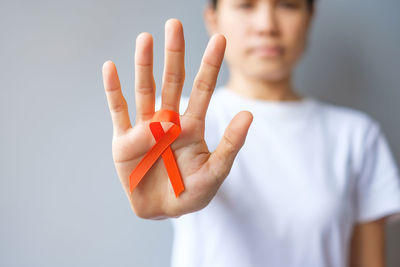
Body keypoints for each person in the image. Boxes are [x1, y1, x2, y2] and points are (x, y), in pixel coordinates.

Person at [101, 0, 400, 266]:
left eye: (288, 5)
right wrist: (158, 205)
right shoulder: (173, 127)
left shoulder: (357, 136)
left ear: (310, 17)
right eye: (246, 5)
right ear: (213, 18)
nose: (266, 25)